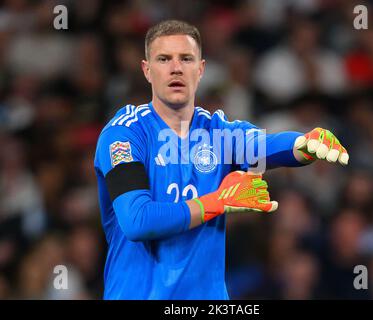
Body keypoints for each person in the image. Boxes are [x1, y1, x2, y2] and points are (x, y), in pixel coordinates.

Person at [93, 20, 349, 300]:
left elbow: (265, 146)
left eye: (186, 59)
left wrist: (305, 144)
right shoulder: (124, 134)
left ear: (200, 69)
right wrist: (220, 201)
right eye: (164, 59)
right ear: (147, 70)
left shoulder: (218, 132)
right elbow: (138, 220)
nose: (176, 68)